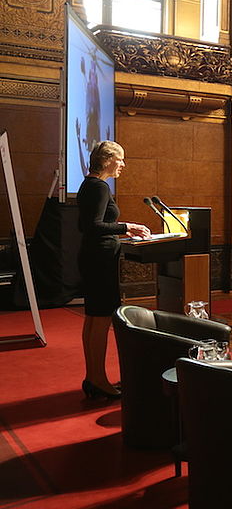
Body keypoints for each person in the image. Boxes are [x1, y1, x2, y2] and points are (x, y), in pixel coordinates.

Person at [77, 141, 151, 400]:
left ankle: (92, 377)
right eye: (120, 159)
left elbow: (87, 226)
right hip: (100, 261)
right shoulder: (99, 187)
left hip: (93, 257)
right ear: (107, 159)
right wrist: (127, 227)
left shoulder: (89, 184)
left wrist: (121, 230)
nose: (123, 164)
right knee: (101, 320)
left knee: (93, 318)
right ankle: (98, 380)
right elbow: (93, 226)